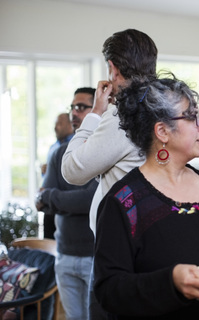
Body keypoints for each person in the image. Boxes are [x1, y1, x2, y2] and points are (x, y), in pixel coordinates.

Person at [93, 74, 199, 319]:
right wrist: (171, 283)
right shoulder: (124, 203)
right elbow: (110, 290)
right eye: (192, 117)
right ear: (162, 131)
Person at [61, 28, 158, 319]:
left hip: (119, 252)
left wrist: (94, 115)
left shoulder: (121, 117)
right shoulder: (165, 107)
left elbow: (72, 170)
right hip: (155, 241)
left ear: (113, 69)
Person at [35, 87, 97, 320]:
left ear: (97, 111)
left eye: (81, 107)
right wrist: (54, 200)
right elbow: (43, 202)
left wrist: (52, 198)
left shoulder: (104, 152)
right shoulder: (59, 153)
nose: (74, 112)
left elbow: (91, 201)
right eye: (72, 107)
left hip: (95, 255)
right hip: (64, 254)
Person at [41, 113, 74, 177]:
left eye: (60, 124)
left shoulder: (75, 145)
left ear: (70, 125)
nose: (55, 127)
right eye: (55, 124)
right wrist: (45, 170)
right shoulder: (53, 147)